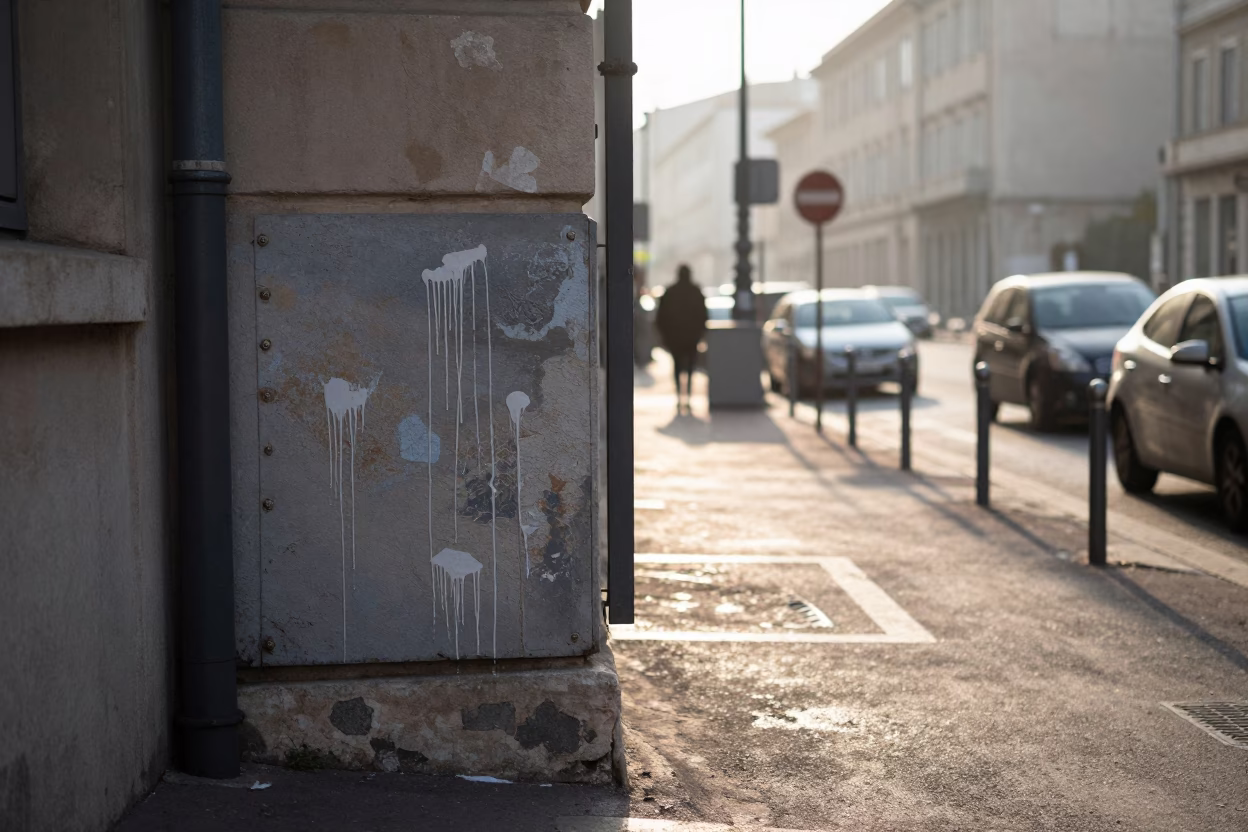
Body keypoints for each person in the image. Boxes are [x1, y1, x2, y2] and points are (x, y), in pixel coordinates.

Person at [655, 264, 708, 413]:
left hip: (675, 337)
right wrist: (701, 334)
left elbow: (661, 317)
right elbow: (703, 315)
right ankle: (688, 397)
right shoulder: (695, 291)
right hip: (691, 337)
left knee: (677, 366)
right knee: (690, 367)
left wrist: (664, 336)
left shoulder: (671, 292)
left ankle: (680, 397)